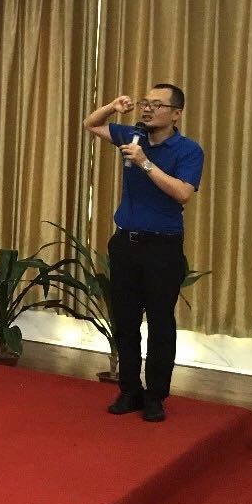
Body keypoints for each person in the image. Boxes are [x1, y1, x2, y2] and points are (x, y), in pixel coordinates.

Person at [82, 84, 205, 423]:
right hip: (125, 243)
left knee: (161, 323)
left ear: (176, 114)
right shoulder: (132, 135)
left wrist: (145, 163)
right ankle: (129, 390)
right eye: (144, 103)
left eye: (157, 105)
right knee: (125, 321)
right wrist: (112, 106)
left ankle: (155, 396)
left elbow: (183, 193)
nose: (147, 109)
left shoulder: (188, 150)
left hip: (162, 247)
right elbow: (91, 124)